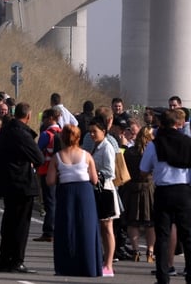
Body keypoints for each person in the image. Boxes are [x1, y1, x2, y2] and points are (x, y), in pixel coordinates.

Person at [140, 108, 191, 284]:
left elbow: (143, 169)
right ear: (177, 123)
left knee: (162, 235)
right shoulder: (187, 142)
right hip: (184, 191)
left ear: (161, 123)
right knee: (188, 235)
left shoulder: (155, 144)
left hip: (163, 191)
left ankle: (163, 277)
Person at [46, 124, 103, 276]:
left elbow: (50, 181)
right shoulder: (86, 155)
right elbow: (94, 179)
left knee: (66, 228)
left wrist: (61, 174)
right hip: (84, 192)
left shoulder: (57, 157)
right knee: (87, 228)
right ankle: (88, 266)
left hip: (66, 192)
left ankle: (66, 266)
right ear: (78, 138)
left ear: (63, 138)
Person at [0, 102, 44, 274]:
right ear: (28, 116)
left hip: (8, 181)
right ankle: (16, 260)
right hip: (21, 182)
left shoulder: (5, 130)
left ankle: (5, 259)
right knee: (20, 225)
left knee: (9, 223)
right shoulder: (21, 133)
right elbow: (39, 157)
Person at [88, 116, 119, 277]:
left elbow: (110, 172)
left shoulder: (106, 147)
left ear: (104, 131)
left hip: (105, 190)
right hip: (97, 190)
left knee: (108, 228)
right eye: (90, 132)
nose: (92, 135)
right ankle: (104, 261)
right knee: (102, 228)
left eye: (95, 132)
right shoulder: (96, 146)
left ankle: (108, 264)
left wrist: (94, 173)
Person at [122, 125, 155, 263]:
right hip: (148, 188)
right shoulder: (152, 152)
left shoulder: (129, 152)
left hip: (132, 187)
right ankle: (150, 252)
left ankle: (135, 251)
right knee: (150, 222)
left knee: (133, 222)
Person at [34, 108, 61, 242]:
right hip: (61, 172)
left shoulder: (46, 134)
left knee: (49, 201)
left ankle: (48, 231)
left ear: (51, 118)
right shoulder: (63, 132)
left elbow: (37, 151)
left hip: (46, 170)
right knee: (57, 201)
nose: (43, 121)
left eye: (44, 118)